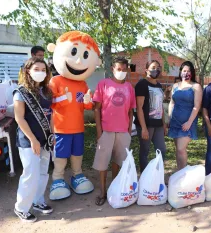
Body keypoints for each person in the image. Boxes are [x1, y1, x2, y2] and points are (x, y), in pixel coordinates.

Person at [48, 31, 100, 200]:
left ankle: (77, 175)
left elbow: (87, 106)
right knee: (61, 155)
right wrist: (63, 98)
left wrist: (87, 101)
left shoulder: (83, 84)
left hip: (78, 128)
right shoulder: (55, 81)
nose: (78, 61)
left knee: (77, 154)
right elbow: (49, 102)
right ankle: (58, 178)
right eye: (74, 53)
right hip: (61, 129)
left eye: (85, 55)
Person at [13, 57, 53, 223]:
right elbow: (19, 118)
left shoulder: (46, 91)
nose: (40, 73)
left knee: (43, 172)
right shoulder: (20, 92)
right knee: (30, 174)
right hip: (28, 141)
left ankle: (38, 201)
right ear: (28, 71)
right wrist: (32, 139)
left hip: (45, 140)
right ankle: (21, 208)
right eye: (36, 69)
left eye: (43, 70)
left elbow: (50, 115)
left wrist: (52, 135)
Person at [92, 57, 136, 206]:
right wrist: (99, 130)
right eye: (119, 69)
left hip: (123, 131)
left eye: (124, 70)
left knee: (119, 162)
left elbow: (131, 110)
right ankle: (103, 191)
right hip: (106, 130)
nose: (121, 72)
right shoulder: (103, 84)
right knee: (103, 163)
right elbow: (96, 108)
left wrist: (129, 129)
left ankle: (114, 188)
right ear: (113, 69)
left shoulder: (129, 87)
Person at [168, 61, 202, 170]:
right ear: (180, 72)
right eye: (184, 71)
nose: (186, 73)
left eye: (188, 71)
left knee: (181, 148)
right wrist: (169, 118)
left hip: (188, 123)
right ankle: (179, 173)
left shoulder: (196, 86)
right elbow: (171, 103)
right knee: (177, 149)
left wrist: (189, 122)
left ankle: (182, 174)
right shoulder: (175, 86)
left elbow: (197, 107)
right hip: (175, 122)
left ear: (192, 73)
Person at [135, 60, 167, 173]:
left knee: (162, 150)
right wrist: (143, 128)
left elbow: (160, 106)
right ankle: (144, 176)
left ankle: (157, 175)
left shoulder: (158, 85)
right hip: (146, 125)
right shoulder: (141, 84)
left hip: (158, 124)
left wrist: (163, 124)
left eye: (158, 67)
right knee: (145, 151)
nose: (156, 70)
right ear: (146, 70)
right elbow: (139, 107)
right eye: (153, 67)